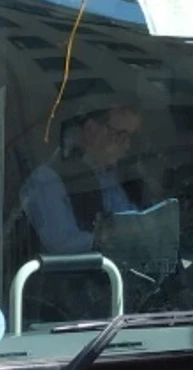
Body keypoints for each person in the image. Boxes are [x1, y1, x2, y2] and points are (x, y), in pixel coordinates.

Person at [20, 100, 146, 255]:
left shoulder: (108, 178)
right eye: (120, 135)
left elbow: (129, 219)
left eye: (130, 138)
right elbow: (62, 244)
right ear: (90, 130)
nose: (127, 146)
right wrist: (107, 240)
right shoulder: (46, 180)